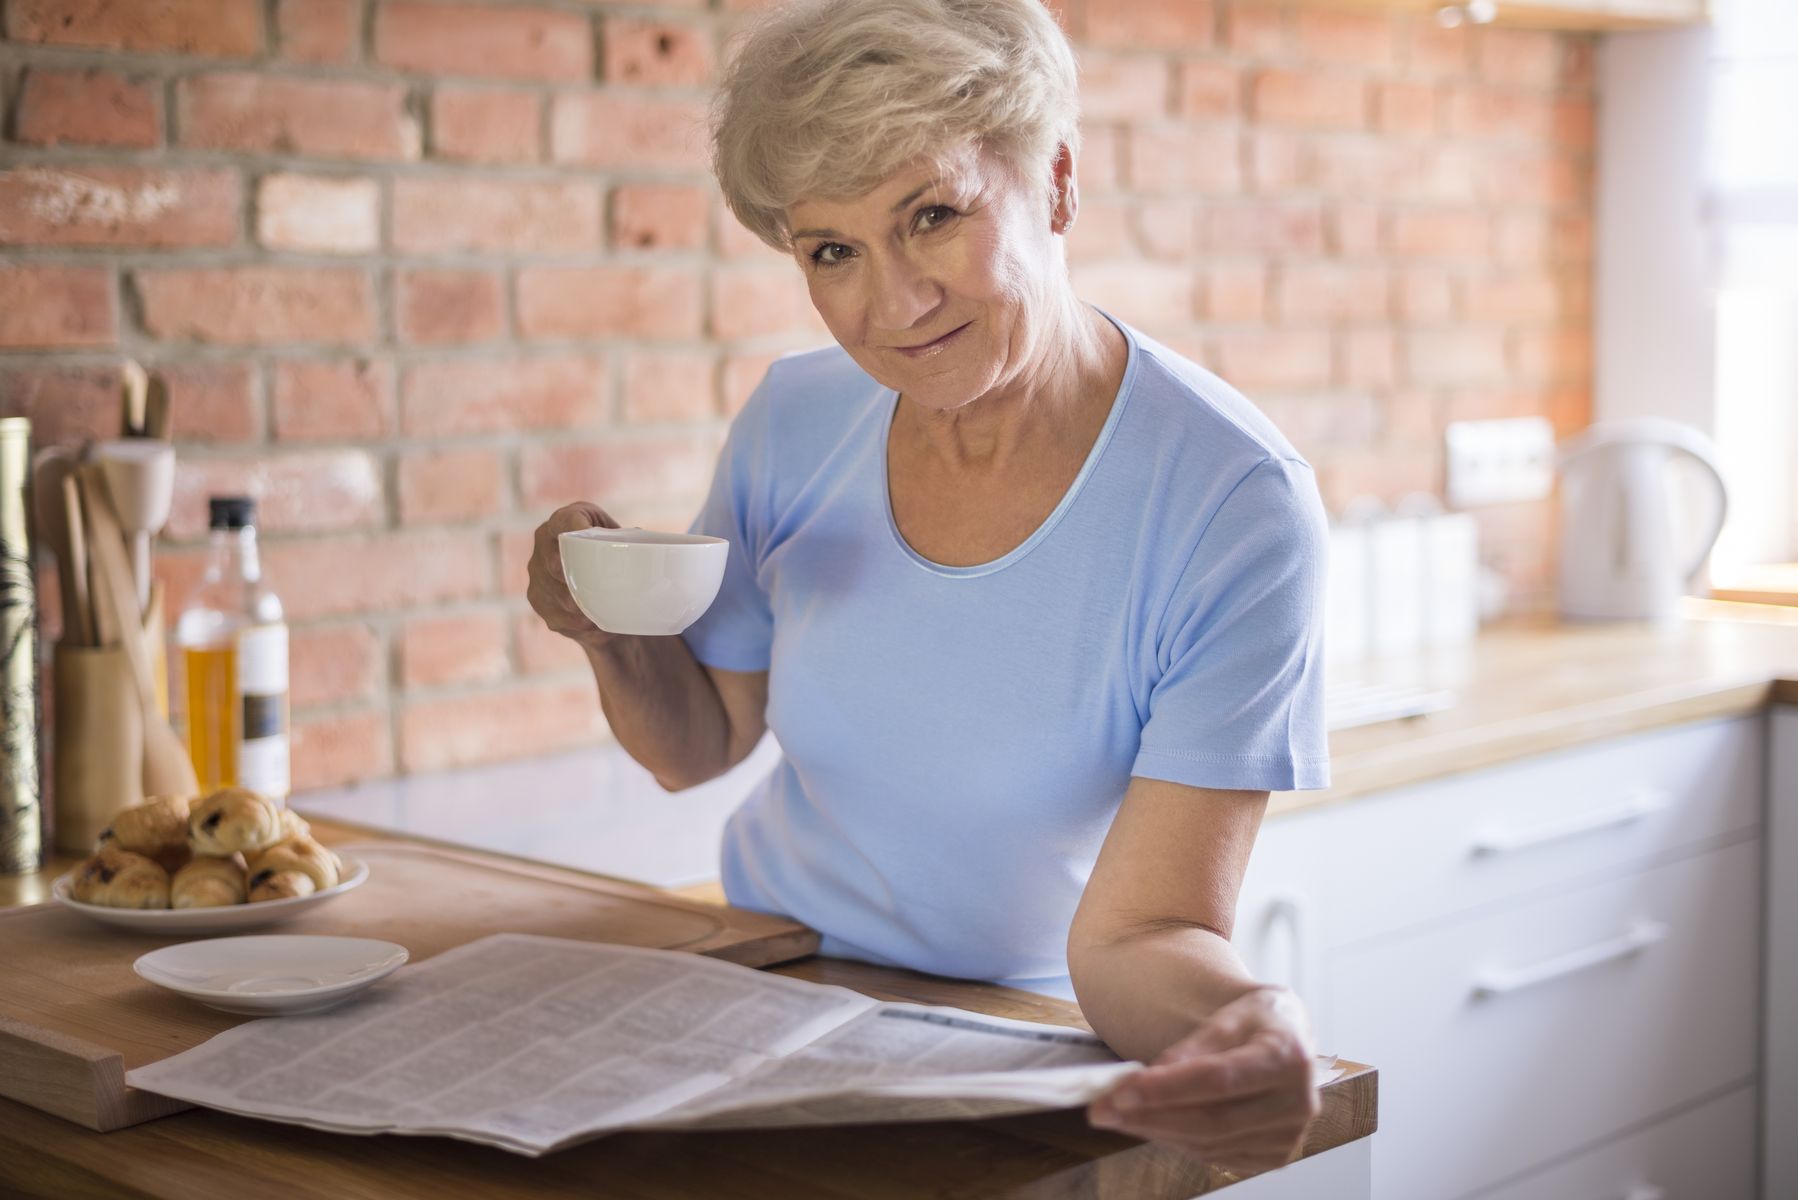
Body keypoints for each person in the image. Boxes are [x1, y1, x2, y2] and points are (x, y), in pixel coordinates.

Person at [526, 0, 1329, 1175]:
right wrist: (609, 634)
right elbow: (698, 746)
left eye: (933, 216)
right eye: (831, 252)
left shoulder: (1231, 504)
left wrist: (1251, 1020)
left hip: (1031, 1035)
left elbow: (1141, 936)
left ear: (1055, 184)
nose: (892, 305)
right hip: (767, 979)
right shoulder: (794, 419)